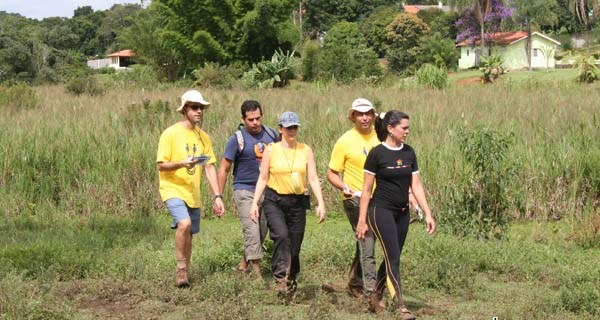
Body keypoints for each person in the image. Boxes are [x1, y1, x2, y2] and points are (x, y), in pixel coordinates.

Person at [356, 110, 436, 319]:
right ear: (390, 129)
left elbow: (416, 186)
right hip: (380, 210)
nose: (407, 131)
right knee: (393, 256)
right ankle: (401, 306)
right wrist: (362, 220)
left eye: (408, 127)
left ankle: (374, 296)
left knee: (394, 256)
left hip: (402, 213)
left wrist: (427, 213)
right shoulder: (377, 154)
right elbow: (366, 191)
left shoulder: (409, 152)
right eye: (404, 128)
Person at [249, 111, 326, 293]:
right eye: (288, 127)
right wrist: (254, 203)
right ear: (280, 129)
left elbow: (313, 178)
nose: (292, 131)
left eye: (294, 127)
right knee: (281, 236)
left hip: (298, 202)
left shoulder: (305, 150)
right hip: (274, 200)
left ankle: (291, 277)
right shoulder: (270, 149)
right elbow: (263, 177)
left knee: (295, 244)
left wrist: (320, 202)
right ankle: (280, 278)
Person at [156, 89, 225, 288]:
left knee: (190, 234)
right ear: (184, 109)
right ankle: (181, 269)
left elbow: (210, 167)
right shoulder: (170, 133)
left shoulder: (204, 137)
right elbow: (161, 165)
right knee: (184, 224)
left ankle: (186, 273)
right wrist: (181, 163)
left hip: (192, 192)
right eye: (195, 107)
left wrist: (217, 196)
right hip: (172, 188)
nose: (199, 111)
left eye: (201, 107)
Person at [217, 100, 278, 278]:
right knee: (251, 229)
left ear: (262, 116)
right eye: (250, 120)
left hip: (267, 190)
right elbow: (224, 168)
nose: (255, 123)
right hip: (244, 190)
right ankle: (257, 275)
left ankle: (244, 265)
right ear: (243, 119)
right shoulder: (237, 139)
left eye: (258, 118)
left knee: (262, 230)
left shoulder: (272, 135)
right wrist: (218, 196)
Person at [326, 98, 379, 298]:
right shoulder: (345, 140)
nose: (364, 118)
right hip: (355, 198)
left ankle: (355, 282)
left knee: (365, 241)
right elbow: (331, 173)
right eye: (360, 114)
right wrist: (344, 187)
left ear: (373, 116)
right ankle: (370, 292)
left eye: (368, 113)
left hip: (378, 199)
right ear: (353, 117)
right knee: (367, 238)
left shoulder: (381, 136)